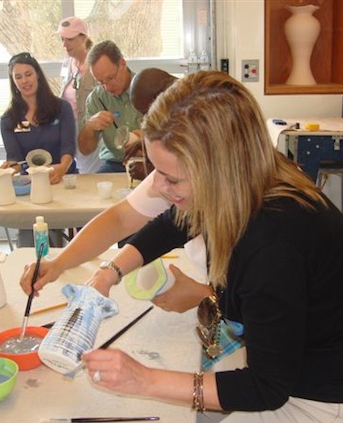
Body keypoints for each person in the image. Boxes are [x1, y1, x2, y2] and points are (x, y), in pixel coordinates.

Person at [54, 72, 343, 423]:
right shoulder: (245, 179)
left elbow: (266, 388)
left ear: (216, 171)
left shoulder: (271, 243)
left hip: (338, 403)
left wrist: (145, 380)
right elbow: (173, 223)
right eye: (156, 171)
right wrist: (111, 272)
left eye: (171, 178)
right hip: (300, 367)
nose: (157, 186)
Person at [20, 68, 210, 314]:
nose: (155, 185)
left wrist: (209, 296)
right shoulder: (187, 181)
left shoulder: (264, 217)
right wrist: (60, 264)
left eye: (170, 178)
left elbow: (265, 301)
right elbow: (124, 219)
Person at [0, 52, 77, 248]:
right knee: (29, 238)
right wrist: (8, 169)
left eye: (28, 74)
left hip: (63, 180)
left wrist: (62, 167)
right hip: (31, 187)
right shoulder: (8, 119)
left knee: (63, 230)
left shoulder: (62, 108)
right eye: (18, 77)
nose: (24, 81)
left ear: (38, 75)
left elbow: (68, 147)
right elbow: (16, 159)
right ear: (13, 81)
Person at [78, 40, 143, 173]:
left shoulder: (147, 88)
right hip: (114, 163)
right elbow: (85, 150)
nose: (107, 87)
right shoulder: (97, 98)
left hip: (149, 162)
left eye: (111, 78)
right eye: (101, 82)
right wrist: (90, 127)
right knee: (97, 190)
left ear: (123, 63)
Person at [56, 16, 102, 174]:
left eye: (69, 39)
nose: (64, 44)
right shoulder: (67, 64)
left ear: (83, 38)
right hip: (70, 126)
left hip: (91, 130)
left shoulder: (96, 66)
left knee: (90, 173)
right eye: (62, 39)